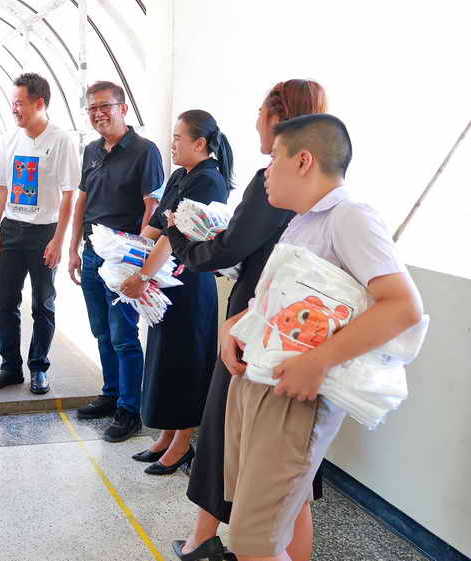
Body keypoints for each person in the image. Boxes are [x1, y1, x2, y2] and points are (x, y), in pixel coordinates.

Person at [223, 114, 424, 561]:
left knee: (253, 539)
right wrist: (234, 324)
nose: (266, 170)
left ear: (303, 161)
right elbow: (286, 301)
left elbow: (402, 306)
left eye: (274, 158)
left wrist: (318, 361)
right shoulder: (302, 222)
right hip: (263, 380)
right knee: (283, 512)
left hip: (294, 395)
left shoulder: (350, 217)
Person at [166, 80, 328, 561]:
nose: (256, 120)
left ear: (279, 121)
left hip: (258, 328)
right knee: (290, 462)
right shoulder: (320, 194)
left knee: (231, 434)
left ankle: (204, 541)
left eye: (261, 111)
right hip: (288, 325)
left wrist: (181, 239)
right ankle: (205, 538)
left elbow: (231, 246)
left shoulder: (276, 182)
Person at [122, 110, 233, 475]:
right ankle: (167, 435)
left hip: (189, 286)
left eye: (177, 138)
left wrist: (143, 274)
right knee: (166, 359)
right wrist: (126, 254)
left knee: (187, 363)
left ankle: (183, 443)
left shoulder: (209, 181)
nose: (172, 144)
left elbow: (176, 236)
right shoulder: (180, 175)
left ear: (199, 143)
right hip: (166, 283)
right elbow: (158, 225)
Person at [68, 80, 164, 442]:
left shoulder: (145, 151)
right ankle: (110, 394)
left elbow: (152, 208)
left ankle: (129, 410)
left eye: (104, 106)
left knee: (124, 335)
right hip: (93, 253)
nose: (98, 114)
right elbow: (82, 201)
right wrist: (73, 248)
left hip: (123, 258)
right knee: (101, 331)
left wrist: (138, 261)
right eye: (92, 108)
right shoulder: (91, 150)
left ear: (122, 108)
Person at [0, 73, 81, 395]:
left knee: (43, 303)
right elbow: (0, 187)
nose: (14, 110)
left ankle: (39, 367)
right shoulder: (9, 140)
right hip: (10, 229)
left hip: (44, 233)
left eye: (19, 103)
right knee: (6, 302)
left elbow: (69, 194)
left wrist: (58, 240)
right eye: (12, 104)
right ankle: (9, 367)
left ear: (39, 103)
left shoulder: (61, 140)